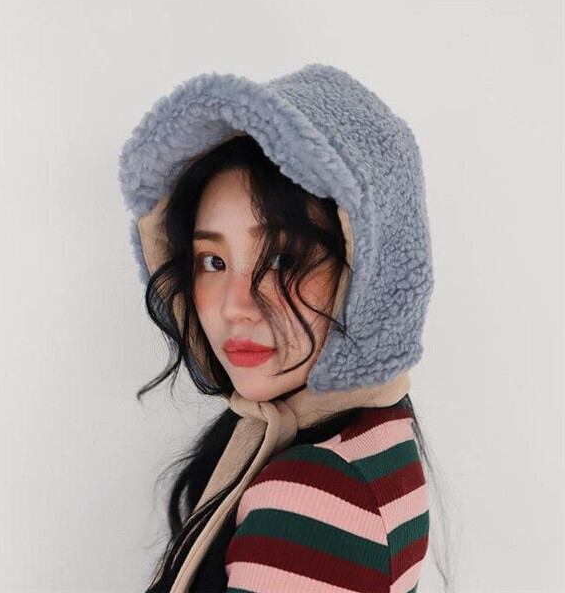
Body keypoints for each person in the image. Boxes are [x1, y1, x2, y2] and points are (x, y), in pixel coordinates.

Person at [118, 64, 444, 592]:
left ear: (370, 271)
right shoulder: (374, 443)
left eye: (282, 260)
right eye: (213, 262)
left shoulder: (319, 494)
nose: (235, 307)